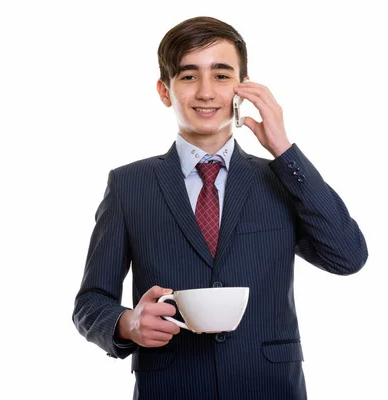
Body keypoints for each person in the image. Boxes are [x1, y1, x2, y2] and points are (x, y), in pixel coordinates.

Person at [72, 16, 367, 400]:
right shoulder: (129, 184)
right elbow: (90, 302)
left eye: (222, 76)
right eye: (189, 76)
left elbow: (347, 256)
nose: (207, 92)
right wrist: (127, 323)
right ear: (165, 91)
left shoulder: (280, 177)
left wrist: (283, 149)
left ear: (242, 88)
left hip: (269, 388)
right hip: (171, 387)